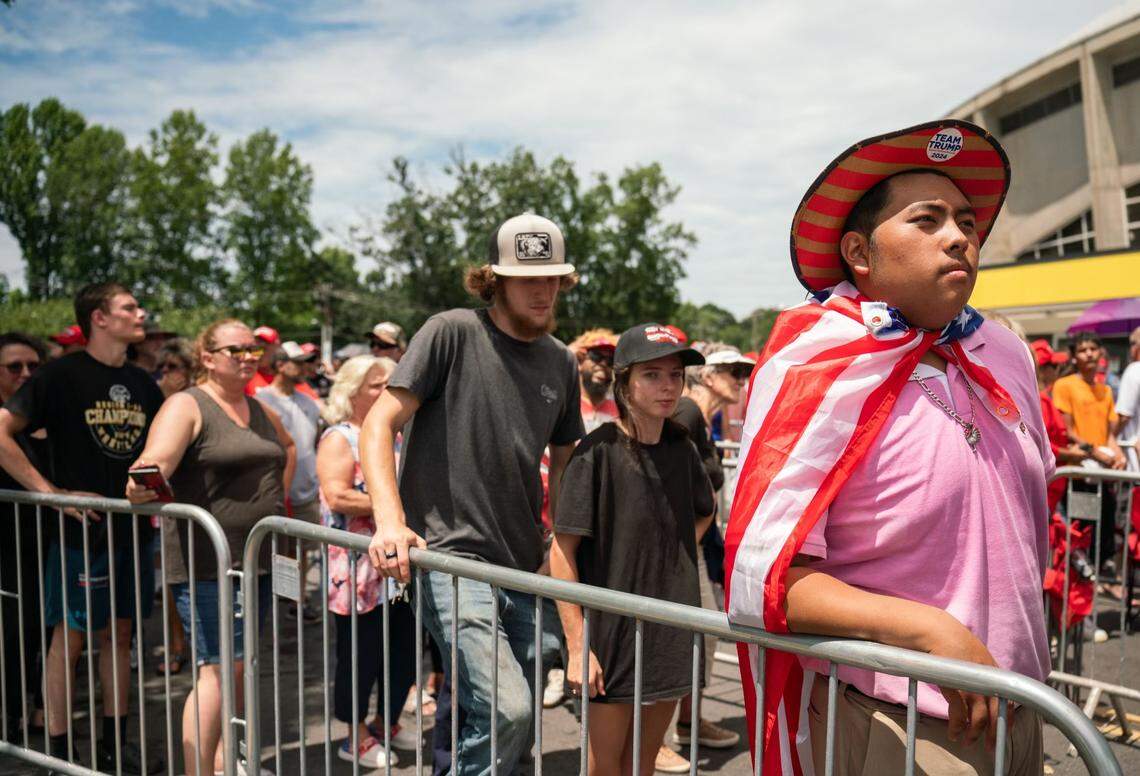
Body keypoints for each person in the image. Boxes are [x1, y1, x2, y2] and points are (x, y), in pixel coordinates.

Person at [725, 121, 1054, 776]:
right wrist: (929, 631)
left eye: (965, 220)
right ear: (859, 252)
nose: (959, 236)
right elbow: (766, 583)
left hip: (1025, 713)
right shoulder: (813, 369)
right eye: (926, 220)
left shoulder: (1005, 351)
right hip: (895, 726)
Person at [361, 213, 584, 776]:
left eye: (554, 277)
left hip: (523, 565)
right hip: (449, 557)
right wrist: (390, 521)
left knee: (521, 719)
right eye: (528, 277)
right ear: (495, 280)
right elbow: (378, 424)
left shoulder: (561, 360)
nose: (544, 289)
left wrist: (563, 548)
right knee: (508, 709)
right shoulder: (451, 331)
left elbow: (564, 466)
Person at [0, 283, 165, 774]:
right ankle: (58, 748)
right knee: (68, 638)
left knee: (120, 634)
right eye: (130, 308)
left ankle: (114, 745)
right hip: (78, 532)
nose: (140, 314)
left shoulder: (142, 383)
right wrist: (51, 493)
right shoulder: (58, 375)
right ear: (99, 318)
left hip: (131, 528)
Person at [126, 318, 295, 776]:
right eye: (235, 350)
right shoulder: (188, 404)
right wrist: (145, 482)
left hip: (255, 559)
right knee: (217, 671)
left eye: (252, 352)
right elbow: (154, 463)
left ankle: (226, 762)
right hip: (206, 563)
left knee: (237, 668)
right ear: (207, 357)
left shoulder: (257, 407)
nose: (247, 358)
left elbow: (286, 447)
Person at [551, 323, 714, 776]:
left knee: (642, 764)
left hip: (671, 625)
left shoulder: (682, 446)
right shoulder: (595, 452)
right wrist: (578, 643)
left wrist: (676, 555)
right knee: (606, 766)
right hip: (611, 633)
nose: (668, 386)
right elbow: (562, 552)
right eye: (652, 374)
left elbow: (706, 508)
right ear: (624, 381)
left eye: (676, 375)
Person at [317, 354, 420, 768]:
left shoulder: (397, 436)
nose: (385, 391)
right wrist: (392, 504)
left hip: (399, 567)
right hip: (357, 570)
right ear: (352, 390)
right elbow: (337, 495)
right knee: (360, 656)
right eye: (377, 384)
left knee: (404, 652)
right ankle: (354, 736)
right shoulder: (339, 437)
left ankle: (387, 722)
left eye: (390, 383)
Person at [658, 343, 752, 770]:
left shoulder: (700, 417)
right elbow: (667, 483)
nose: (740, 379)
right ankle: (656, 735)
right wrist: (686, 538)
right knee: (677, 636)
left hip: (690, 545)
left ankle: (688, 722)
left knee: (703, 634)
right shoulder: (688, 414)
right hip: (677, 548)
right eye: (732, 370)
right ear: (707, 375)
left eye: (742, 372)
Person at [0, 332, 49, 742]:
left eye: (34, 366)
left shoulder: (48, 419)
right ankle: (11, 716)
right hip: (8, 548)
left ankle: (35, 710)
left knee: (40, 632)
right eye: (14, 367)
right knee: (13, 633)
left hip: (45, 546)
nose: (26, 374)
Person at [256, 340, 324, 619]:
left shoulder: (309, 401)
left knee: (303, 547)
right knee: (274, 548)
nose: (303, 367)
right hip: (273, 489)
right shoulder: (262, 400)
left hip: (306, 488)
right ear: (281, 366)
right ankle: (276, 598)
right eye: (297, 362)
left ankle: (296, 600)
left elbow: (315, 441)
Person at [1053, 331, 1127, 582]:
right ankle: (1075, 613)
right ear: (1074, 357)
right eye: (1083, 350)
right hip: (1079, 473)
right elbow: (1069, 432)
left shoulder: (1106, 391)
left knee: (1101, 540)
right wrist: (1096, 454)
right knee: (1079, 541)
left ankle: (1088, 607)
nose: (1089, 354)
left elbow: (1110, 435)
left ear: (1100, 353)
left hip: (1101, 474)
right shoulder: (1065, 386)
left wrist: (1117, 455)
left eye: (1093, 349)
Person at [1030, 339, 1084, 514]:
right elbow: (1041, 444)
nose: (1058, 370)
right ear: (1043, 370)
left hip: (1054, 484)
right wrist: (1072, 454)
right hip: (1048, 485)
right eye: (1053, 366)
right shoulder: (1041, 400)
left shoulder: (1047, 397)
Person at [568, 329, 620, 433]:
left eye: (610, 361)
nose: (604, 364)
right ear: (580, 361)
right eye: (596, 357)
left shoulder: (622, 411)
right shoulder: (565, 406)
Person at [243, 325, 281, 396]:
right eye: (254, 349)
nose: (258, 353)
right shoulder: (243, 376)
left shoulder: (288, 377)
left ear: (277, 347)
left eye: (263, 348)